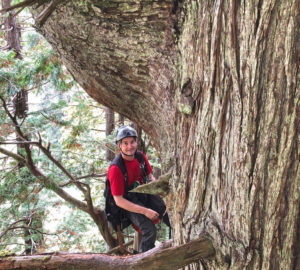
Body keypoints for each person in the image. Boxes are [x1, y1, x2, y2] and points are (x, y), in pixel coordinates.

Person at [107, 125, 168, 253]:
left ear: (136, 142)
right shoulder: (116, 169)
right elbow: (119, 200)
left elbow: (150, 177)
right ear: (119, 146)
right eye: (125, 143)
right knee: (149, 230)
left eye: (132, 142)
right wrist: (145, 211)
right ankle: (144, 260)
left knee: (168, 213)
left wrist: (161, 193)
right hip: (127, 202)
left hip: (142, 192)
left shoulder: (140, 156)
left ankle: (176, 245)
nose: (130, 146)